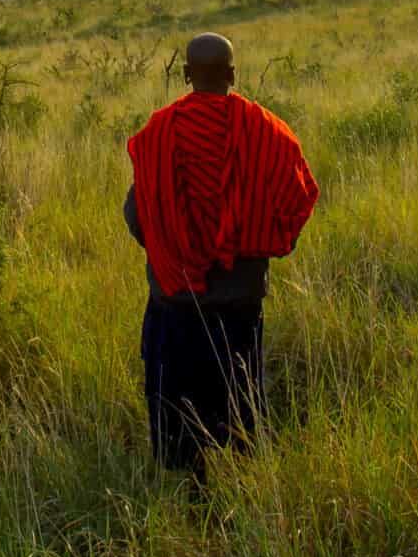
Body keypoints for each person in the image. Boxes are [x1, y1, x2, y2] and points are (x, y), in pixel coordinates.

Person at [125, 32, 319, 477]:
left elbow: (139, 214)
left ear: (186, 74)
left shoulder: (159, 133)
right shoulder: (265, 130)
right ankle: (248, 476)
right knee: (241, 388)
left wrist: (170, 249)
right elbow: (297, 198)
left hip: (175, 296)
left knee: (178, 396)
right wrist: (261, 243)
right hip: (240, 296)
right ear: (232, 74)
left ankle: (191, 483)